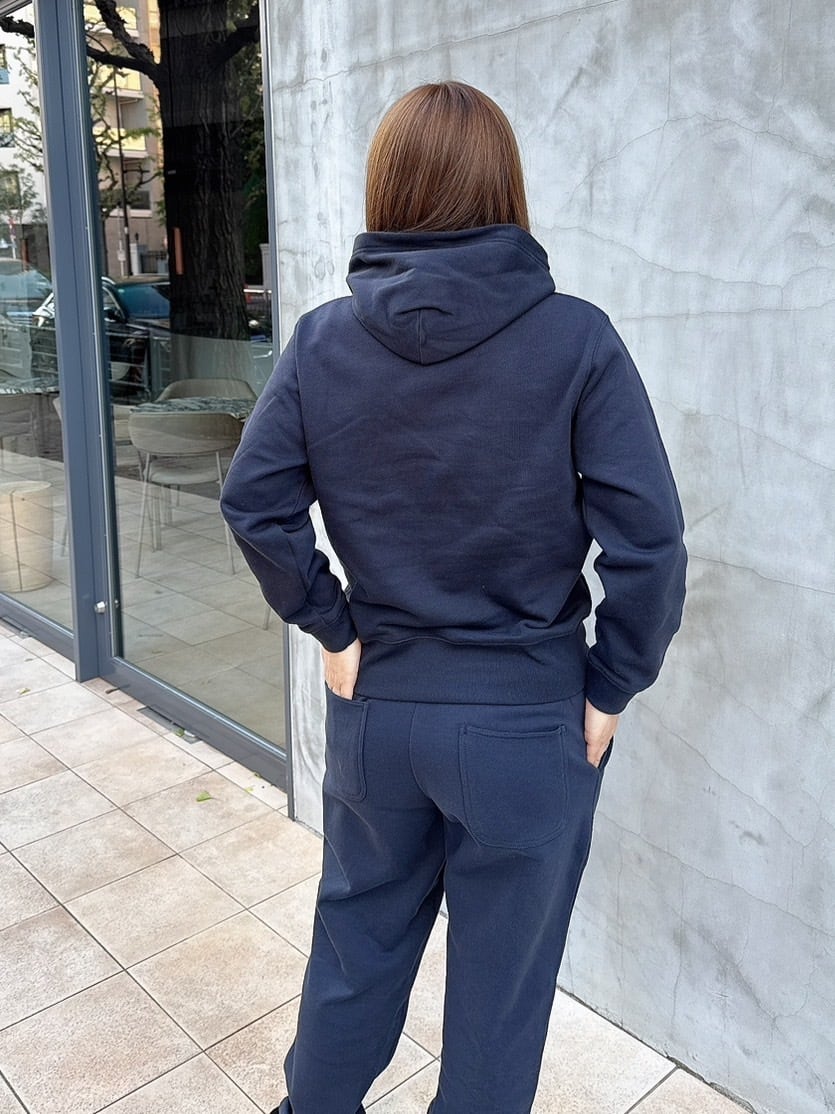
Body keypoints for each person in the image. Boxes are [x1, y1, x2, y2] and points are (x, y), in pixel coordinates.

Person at [220, 80, 686, 1114]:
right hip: (526, 720)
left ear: (386, 188)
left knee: (354, 951)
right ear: (503, 188)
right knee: (499, 997)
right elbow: (649, 544)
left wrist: (331, 627)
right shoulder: (576, 340)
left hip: (379, 713)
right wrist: (612, 685)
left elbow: (254, 501)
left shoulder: (322, 341)